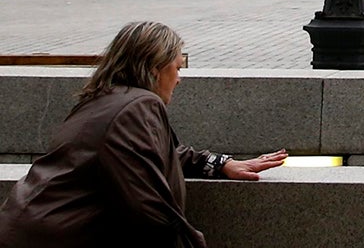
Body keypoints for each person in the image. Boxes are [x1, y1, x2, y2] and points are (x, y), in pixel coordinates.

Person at [0, 20, 286, 245]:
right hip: (55, 237)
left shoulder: (104, 99)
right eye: (176, 68)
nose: (179, 79)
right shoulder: (140, 105)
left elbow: (158, 153)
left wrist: (220, 163)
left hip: (30, 225)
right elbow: (148, 205)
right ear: (153, 68)